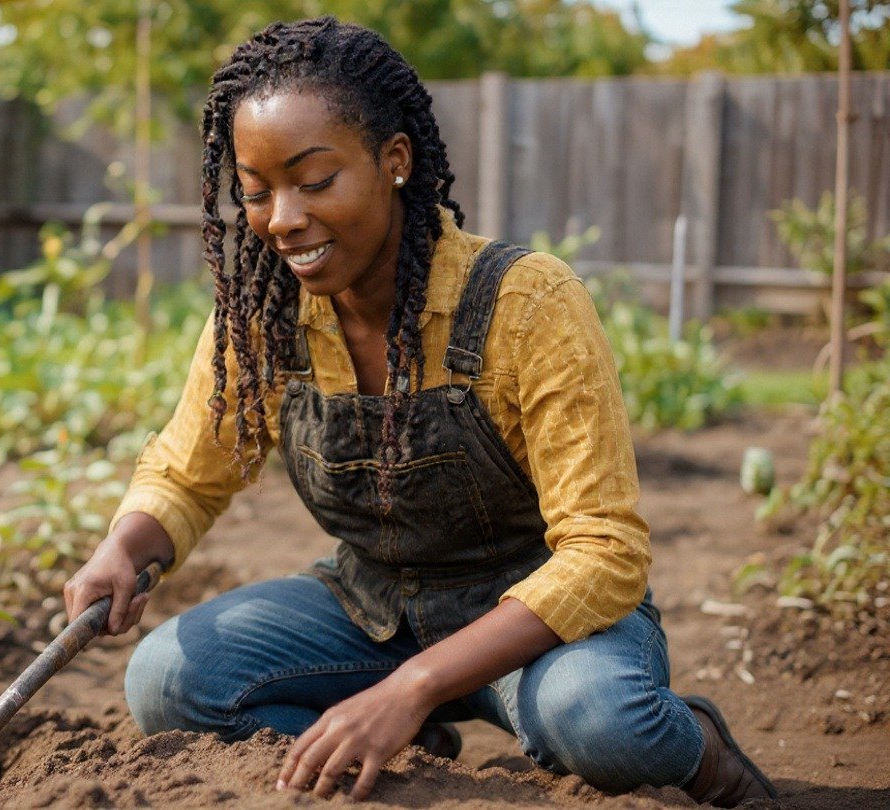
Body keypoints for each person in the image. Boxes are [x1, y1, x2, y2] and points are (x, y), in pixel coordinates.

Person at [61, 16, 776, 807]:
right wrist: (123, 545)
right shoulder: (267, 315)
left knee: (602, 723)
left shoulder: (527, 302)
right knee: (167, 679)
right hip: (372, 610)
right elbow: (190, 473)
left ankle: (703, 751)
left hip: (538, 620)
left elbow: (604, 552)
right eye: (256, 192)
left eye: (314, 181)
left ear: (395, 160)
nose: (282, 218)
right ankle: (411, 748)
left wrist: (412, 686)